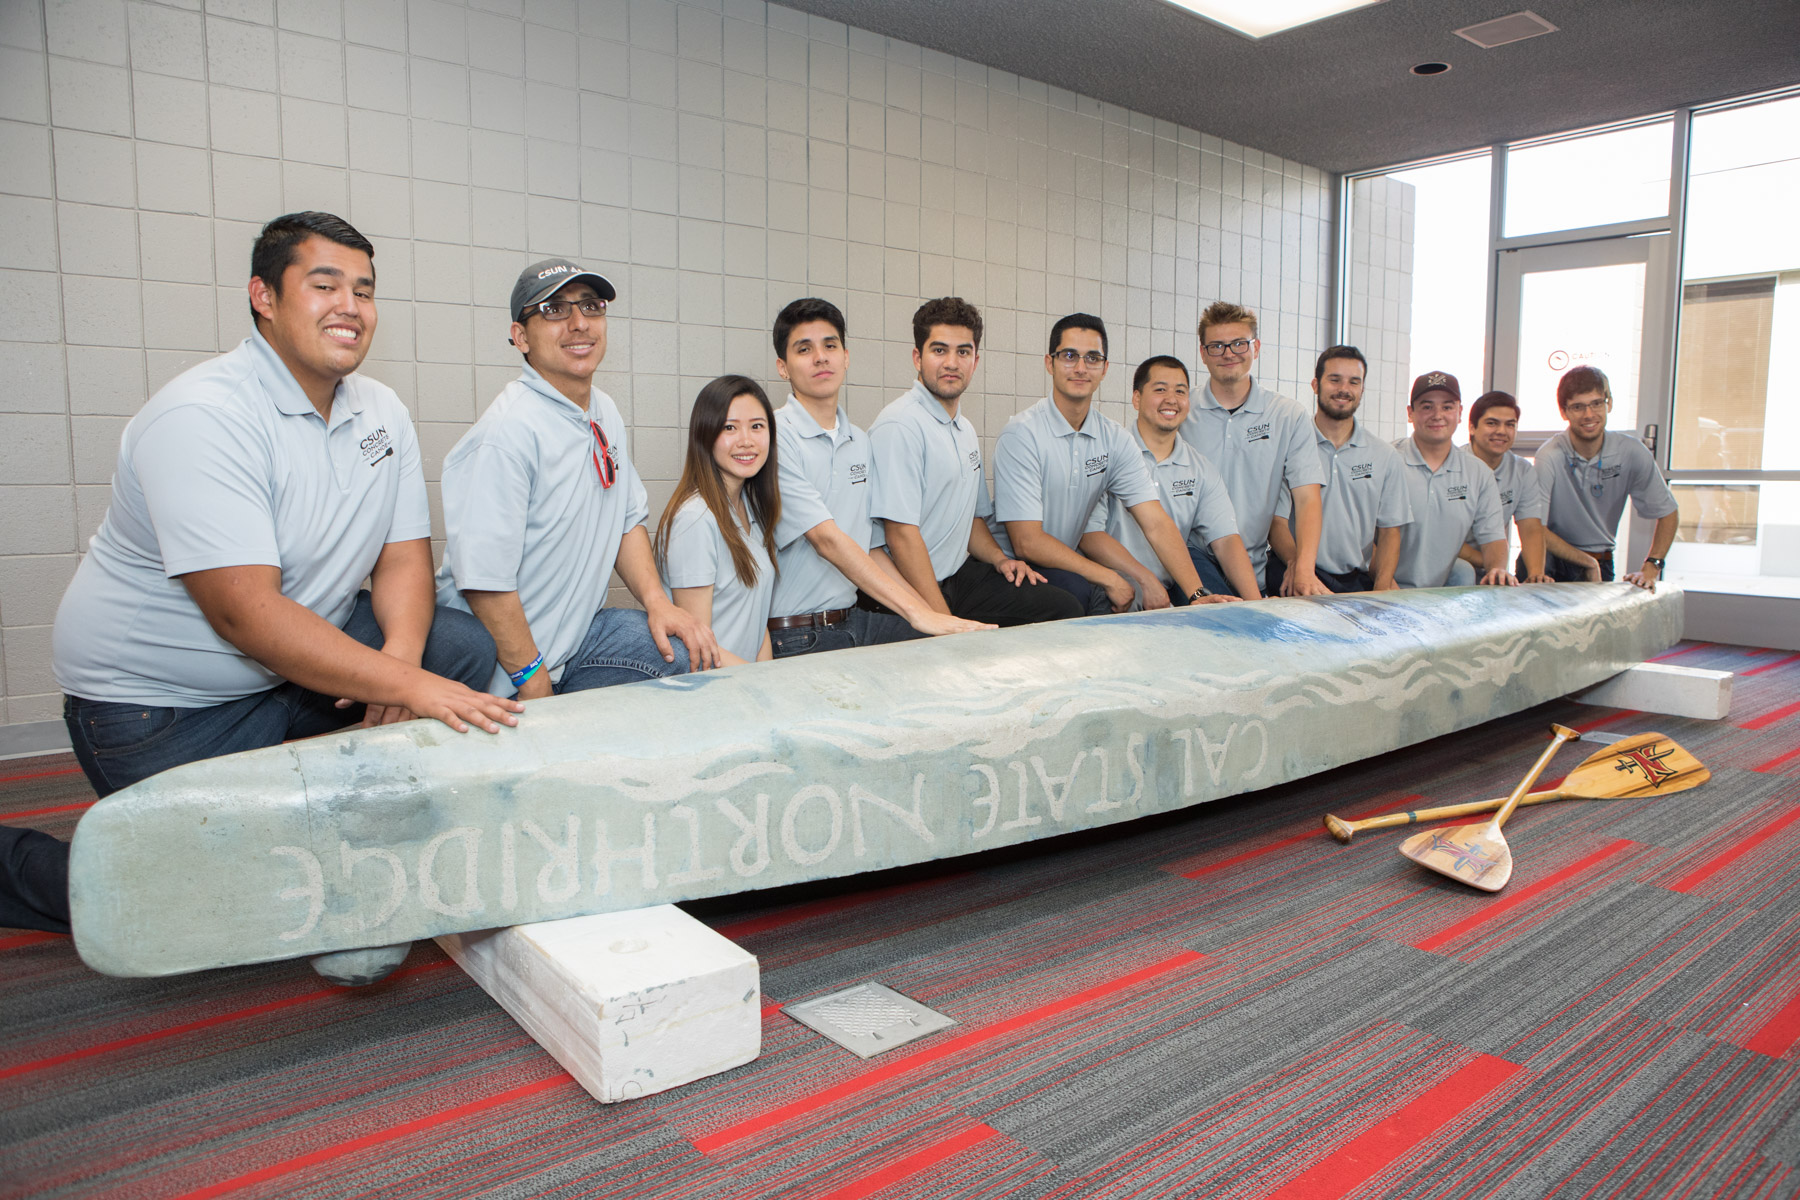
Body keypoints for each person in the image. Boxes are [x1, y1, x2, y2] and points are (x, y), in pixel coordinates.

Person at [29, 212, 520, 960]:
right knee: (193, 900)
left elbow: (403, 557)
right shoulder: (204, 415)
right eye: (325, 285)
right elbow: (246, 614)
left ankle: (329, 816)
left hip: (290, 672)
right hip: (164, 708)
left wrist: (402, 662)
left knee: (451, 644)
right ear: (264, 296)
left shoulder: (379, 412)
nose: (350, 306)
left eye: (364, 290)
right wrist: (408, 686)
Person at [437, 258, 719, 699]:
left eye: (591, 306)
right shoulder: (507, 433)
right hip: (501, 672)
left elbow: (626, 519)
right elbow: (485, 582)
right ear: (520, 336)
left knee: (675, 651)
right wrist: (532, 681)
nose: (579, 323)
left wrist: (658, 603)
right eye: (553, 309)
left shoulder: (603, 410)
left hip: (574, 644)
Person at [765, 297, 991, 656]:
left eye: (830, 346)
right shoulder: (773, 436)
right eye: (804, 349)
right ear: (783, 367)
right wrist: (920, 613)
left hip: (853, 620)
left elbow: (870, 547)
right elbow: (826, 539)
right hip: (795, 632)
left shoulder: (859, 441)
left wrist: (929, 615)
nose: (820, 357)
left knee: (964, 654)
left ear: (846, 357)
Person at [869, 298, 1082, 626]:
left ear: (975, 361)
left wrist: (1000, 559)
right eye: (939, 350)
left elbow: (970, 518)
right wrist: (942, 620)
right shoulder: (900, 425)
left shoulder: (964, 429)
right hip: (908, 586)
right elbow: (900, 535)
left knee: (1064, 607)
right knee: (960, 646)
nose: (951, 363)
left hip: (957, 576)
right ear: (917, 357)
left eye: (963, 352)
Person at [992, 314, 1213, 614]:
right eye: (1069, 356)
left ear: (1105, 368)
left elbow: (1156, 522)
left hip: (1064, 566)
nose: (1081, 368)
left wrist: (1196, 594)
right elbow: (1027, 543)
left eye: (1092, 358)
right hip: (1010, 567)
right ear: (1050, 363)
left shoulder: (1113, 438)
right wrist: (1112, 578)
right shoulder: (1022, 434)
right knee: (1083, 594)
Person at [1179, 302, 1329, 597]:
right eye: (1216, 346)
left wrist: (1303, 568)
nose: (1228, 354)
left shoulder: (1287, 416)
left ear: (1256, 348)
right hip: (1191, 567)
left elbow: (1307, 498)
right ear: (1203, 353)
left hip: (1252, 570)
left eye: (1239, 343)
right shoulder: (1182, 411)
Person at [1103, 355, 1256, 607]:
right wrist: (1142, 579)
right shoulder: (1109, 454)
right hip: (1110, 590)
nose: (1171, 399)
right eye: (1160, 389)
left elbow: (1226, 540)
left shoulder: (1200, 469)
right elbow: (1090, 535)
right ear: (1137, 398)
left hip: (1167, 593)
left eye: (1180, 391)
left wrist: (1256, 604)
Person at [655, 376, 780, 664]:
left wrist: (770, 679)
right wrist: (762, 683)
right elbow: (697, 651)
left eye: (757, 426)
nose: (746, 441)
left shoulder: (751, 509)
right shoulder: (695, 519)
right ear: (705, 435)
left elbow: (756, 620)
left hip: (747, 682)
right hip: (715, 685)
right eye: (729, 428)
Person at [1268, 346, 1411, 594]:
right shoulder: (1290, 446)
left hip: (1354, 578)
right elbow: (1276, 522)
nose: (1344, 389)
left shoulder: (1384, 456)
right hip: (1293, 570)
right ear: (1315, 385)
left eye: (1354, 382)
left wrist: (1382, 591)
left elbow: (1390, 532)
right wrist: (1297, 564)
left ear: (1362, 390)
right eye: (1334, 380)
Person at [1533, 365, 1679, 590]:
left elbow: (1668, 513)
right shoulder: (1549, 456)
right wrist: (1587, 562)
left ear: (1608, 403)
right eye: (1578, 407)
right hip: (1549, 559)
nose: (1589, 415)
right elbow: (1534, 528)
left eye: (1596, 403)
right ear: (1564, 412)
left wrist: (1652, 566)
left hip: (1601, 560)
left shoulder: (1631, 452)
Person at [1391, 371, 1516, 589]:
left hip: (1442, 591)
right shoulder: (1387, 461)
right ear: (1410, 413)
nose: (1437, 415)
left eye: (1447, 407)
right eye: (1427, 407)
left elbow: (1493, 536)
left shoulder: (1478, 473)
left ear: (1459, 414)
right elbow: (1363, 538)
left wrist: (1497, 568)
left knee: (1464, 572)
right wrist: (1386, 585)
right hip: (1383, 586)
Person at [1457, 391, 1552, 584]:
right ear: (1472, 427)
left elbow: (1531, 527)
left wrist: (1536, 575)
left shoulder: (1521, 470)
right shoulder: (1453, 467)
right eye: (1492, 423)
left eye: (1510, 424)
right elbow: (1445, 538)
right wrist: (1493, 564)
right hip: (1451, 564)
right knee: (1463, 572)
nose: (1501, 431)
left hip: (1492, 563)